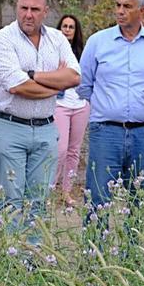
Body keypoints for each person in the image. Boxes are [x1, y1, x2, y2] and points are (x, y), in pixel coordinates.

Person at [0, 0, 80, 238]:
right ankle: (10, 261)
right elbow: (17, 86)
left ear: (45, 12)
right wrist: (54, 85)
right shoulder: (2, 40)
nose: (28, 14)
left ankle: (33, 261)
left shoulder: (57, 39)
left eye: (35, 9)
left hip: (46, 128)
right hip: (9, 126)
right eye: (23, 8)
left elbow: (73, 76)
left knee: (39, 200)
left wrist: (33, 76)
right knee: (12, 201)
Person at [77, 0, 144, 215]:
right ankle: (95, 249)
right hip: (106, 133)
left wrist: (140, 106)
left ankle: (134, 250)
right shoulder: (97, 42)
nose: (120, 11)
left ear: (142, 12)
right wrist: (110, 108)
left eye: (127, 6)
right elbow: (84, 85)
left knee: (139, 200)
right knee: (98, 198)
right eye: (118, 5)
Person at [52, 14, 88, 206]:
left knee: (74, 151)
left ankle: (66, 191)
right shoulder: (53, 52)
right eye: (64, 26)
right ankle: (50, 187)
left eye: (71, 27)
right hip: (61, 104)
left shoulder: (82, 53)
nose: (67, 29)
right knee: (61, 149)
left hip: (80, 104)